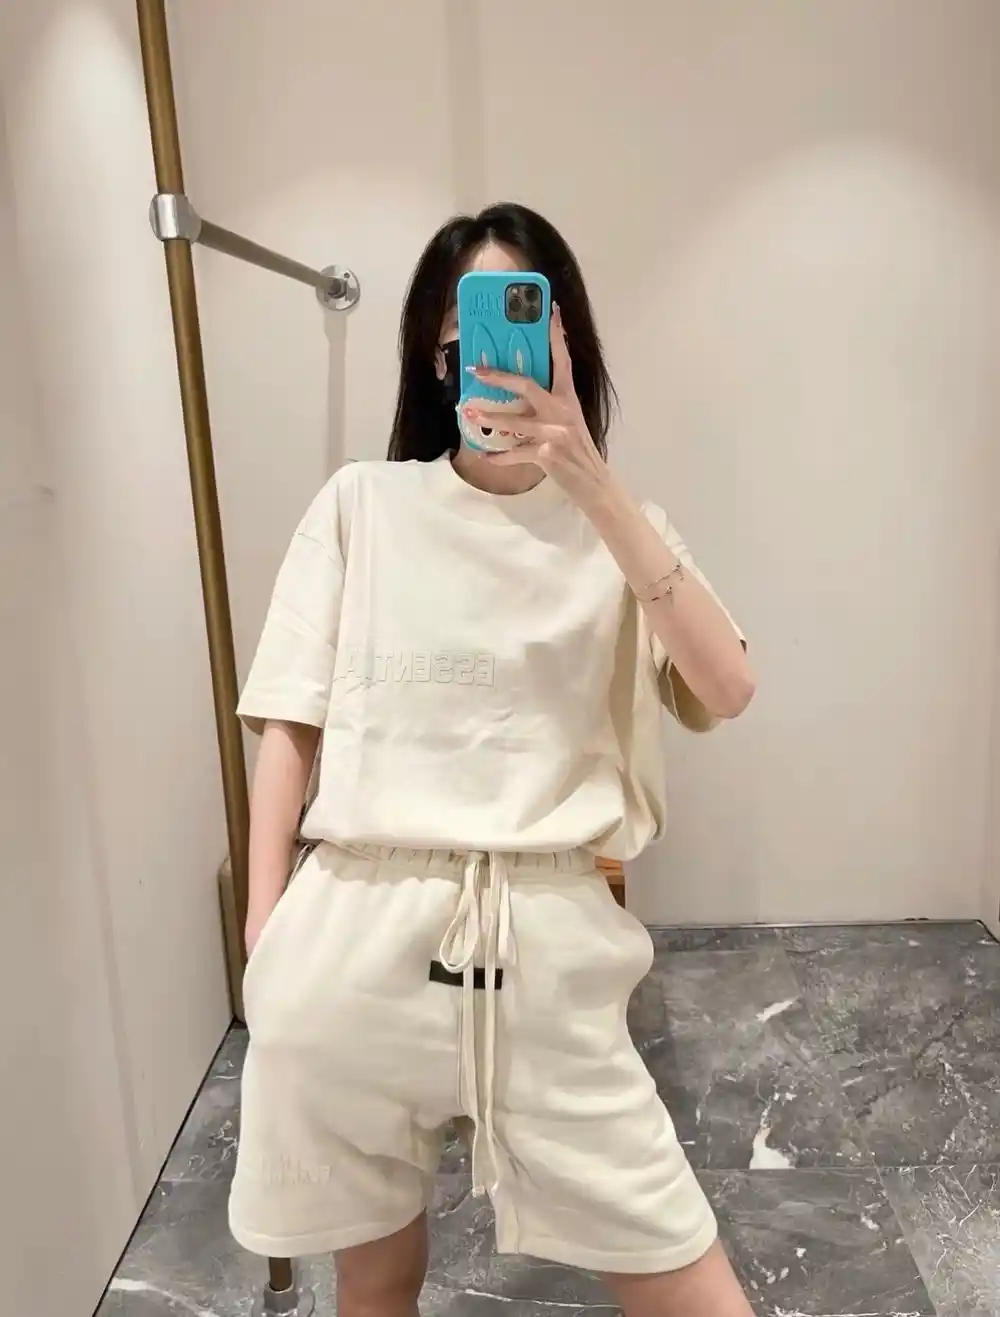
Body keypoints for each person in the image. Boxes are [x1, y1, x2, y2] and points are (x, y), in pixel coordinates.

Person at [229, 202, 756, 1317]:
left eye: (519, 331)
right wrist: (265, 932)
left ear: (564, 343)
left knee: (689, 1285)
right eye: (458, 342)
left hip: (548, 949)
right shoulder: (363, 504)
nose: (488, 365)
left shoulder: (623, 529)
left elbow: (727, 686)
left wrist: (593, 481)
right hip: (350, 943)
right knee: (376, 1281)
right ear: (435, 362)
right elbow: (289, 718)